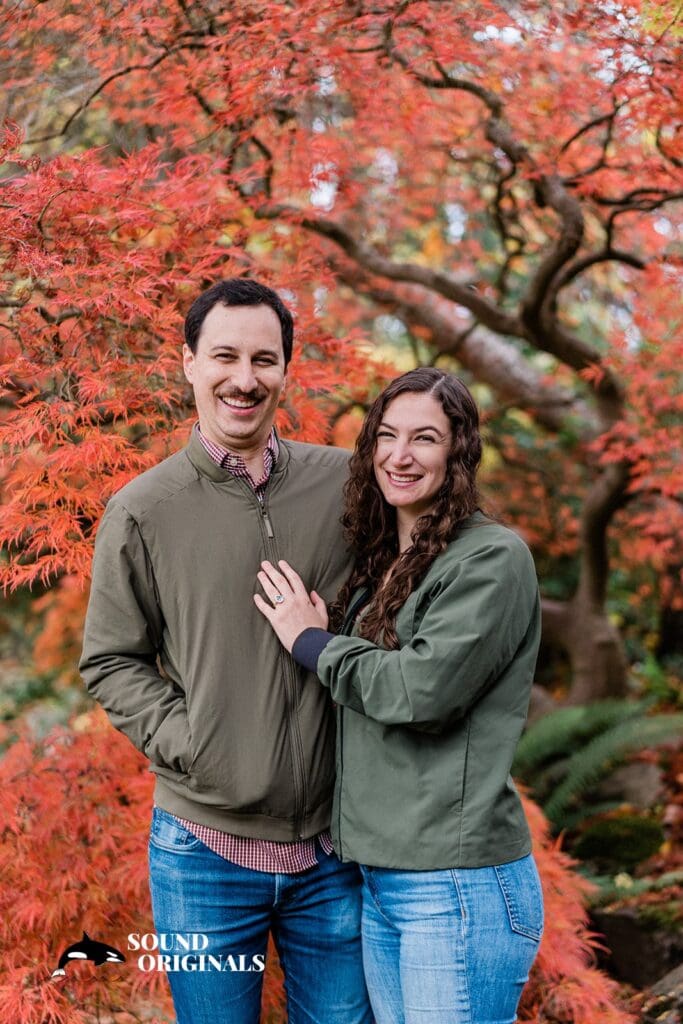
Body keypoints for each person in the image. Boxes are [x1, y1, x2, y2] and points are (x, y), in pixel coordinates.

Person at [79, 278, 372, 1024]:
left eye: (263, 359)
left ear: (284, 370)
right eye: (225, 356)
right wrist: (195, 743)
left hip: (336, 848)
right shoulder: (142, 510)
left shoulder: (345, 485)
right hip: (202, 852)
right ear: (188, 363)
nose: (244, 379)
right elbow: (110, 659)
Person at [255, 367, 544, 1024]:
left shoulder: (490, 559)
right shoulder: (381, 562)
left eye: (424, 438)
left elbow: (420, 692)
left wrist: (311, 642)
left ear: (458, 453)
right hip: (381, 878)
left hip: (455, 885)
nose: (400, 455)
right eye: (386, 435)